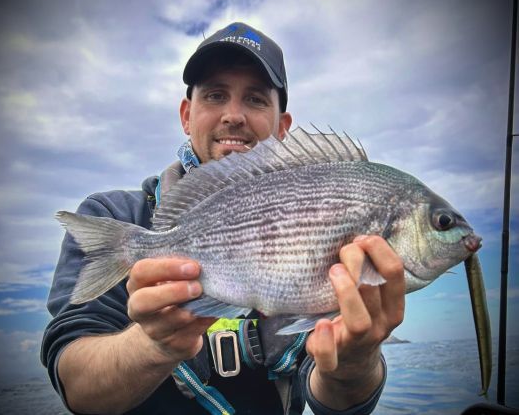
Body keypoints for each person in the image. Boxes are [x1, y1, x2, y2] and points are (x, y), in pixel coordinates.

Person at [41, 22, 405, 415]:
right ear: (186, 115)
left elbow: (331, 401)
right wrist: (153, 346)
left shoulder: (318, 219)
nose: (234, 115)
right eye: (215, 95)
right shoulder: (114, 215)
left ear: (284, 126)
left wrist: (353, 364)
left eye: (255, 99)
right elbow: (77, 388)